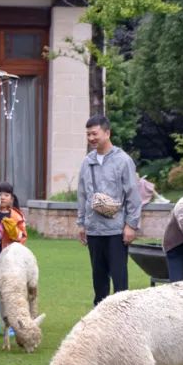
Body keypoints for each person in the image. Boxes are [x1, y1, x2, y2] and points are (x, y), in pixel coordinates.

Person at [75, 115, 140, 305]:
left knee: (120, 281)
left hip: (116, 230)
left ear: (107, 133)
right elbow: (82, 194)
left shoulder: (123, 161)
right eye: (88, 134)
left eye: (94, 134)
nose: (91, 138)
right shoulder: (87, 162)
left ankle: (123, 317)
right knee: (99, 280)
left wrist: (131, 225)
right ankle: (99, 319)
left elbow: (133, 195)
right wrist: (81, 223)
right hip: (94, 230)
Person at [0, 181, 27, 336]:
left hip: (9, 261)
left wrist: (14, 231)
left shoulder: (16, 216)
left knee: (9, 292)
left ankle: (12, 323)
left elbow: (22, 237)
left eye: (6, 194)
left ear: (12, 198)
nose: (2, 197)